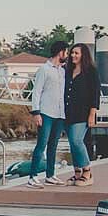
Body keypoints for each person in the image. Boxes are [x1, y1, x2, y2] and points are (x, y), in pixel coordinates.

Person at [26, 40, 69, 188]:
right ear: (60, 52)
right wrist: (36, 113)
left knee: (53, 145)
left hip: (60, 114)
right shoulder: (44, 69)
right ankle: (32, 177)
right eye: (66, 52)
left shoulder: (63, 71)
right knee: (41, 144)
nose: (67, 55)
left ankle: (50, 175)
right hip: (45, 113)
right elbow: (36, 92)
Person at [64, 43, 100, 186]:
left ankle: (87, 171)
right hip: (68, 113)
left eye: (76, 53)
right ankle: (77, 173)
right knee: (72, 144)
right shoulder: (68, 70)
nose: (73, 55)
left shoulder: (91, 71)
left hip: (83, 113)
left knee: (77, 140)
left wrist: (92, 114)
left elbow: (95, 94)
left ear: (83, 55)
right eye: (72, 53)